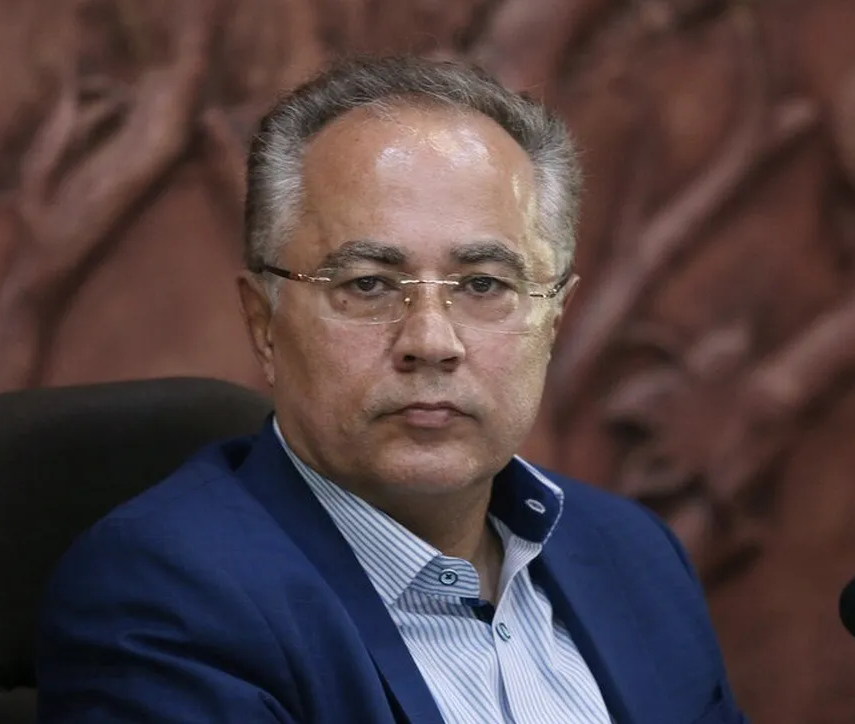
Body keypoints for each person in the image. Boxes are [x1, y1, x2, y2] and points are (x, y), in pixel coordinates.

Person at [36, 55, 748, 723]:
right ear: (264, 325)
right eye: (369, 284)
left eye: (484, 285)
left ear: (552, 319)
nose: (431, 341)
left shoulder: (634, 554)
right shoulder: (162, 596)